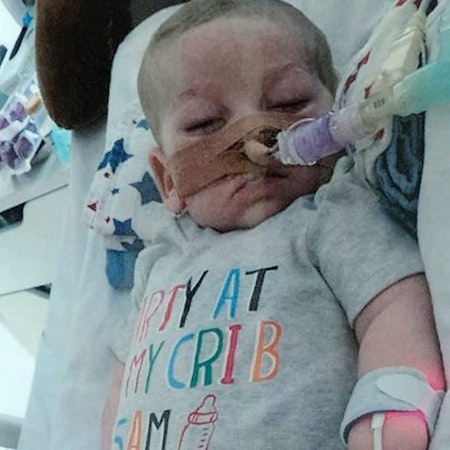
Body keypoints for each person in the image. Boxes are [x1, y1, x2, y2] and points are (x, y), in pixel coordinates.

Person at [102, 1, 445, 449]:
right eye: (206, 123)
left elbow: (394, 307)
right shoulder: (158, 259)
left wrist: (388, 412)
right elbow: (124, 374)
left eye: (288, 102)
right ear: (168, 180)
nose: (255, 136)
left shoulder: (330, 218)